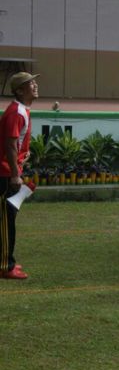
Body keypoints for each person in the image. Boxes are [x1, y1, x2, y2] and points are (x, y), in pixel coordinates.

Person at [0, 72, 39, 279]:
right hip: (5, 173)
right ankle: (5, 266)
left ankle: (5, 259)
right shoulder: (16, 112)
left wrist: (24, 154)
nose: (35, 85)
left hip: (7, 170)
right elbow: (9, 145)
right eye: (30, 83)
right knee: (6, 220)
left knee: (7, 217)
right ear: (20, 91)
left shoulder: (21, 110)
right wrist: (15, 174)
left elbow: (15, 143)